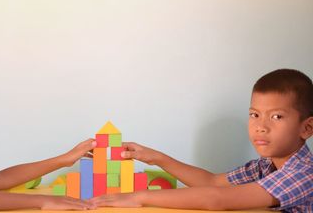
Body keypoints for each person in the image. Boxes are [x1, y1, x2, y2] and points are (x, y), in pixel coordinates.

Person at [91, 69, 313, 212]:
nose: (260, 126)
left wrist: (139, 197)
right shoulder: (265, 166)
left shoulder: (303, 173)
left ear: (307, 128)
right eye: (254, 114)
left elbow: (217, 199)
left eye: (276, 117)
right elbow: (212, 182)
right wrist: (157, 158)